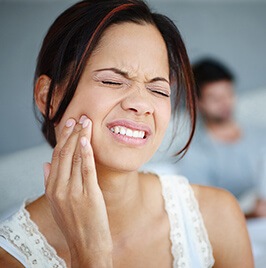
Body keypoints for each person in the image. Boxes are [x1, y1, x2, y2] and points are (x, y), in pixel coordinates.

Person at [0, 1, 253, 267]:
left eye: (158, 90)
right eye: (112, 81)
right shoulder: (10, 258)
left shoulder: (217, 216)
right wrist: (90, 254)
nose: (142, 105)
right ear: (48, 97)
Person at [178, 58, 266, 217]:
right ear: (198, 102)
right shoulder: (196, 153)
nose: (225, 103)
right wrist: (253, 213)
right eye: (215, 98)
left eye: (229, 94)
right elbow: (206, 213)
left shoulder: (260, 135)